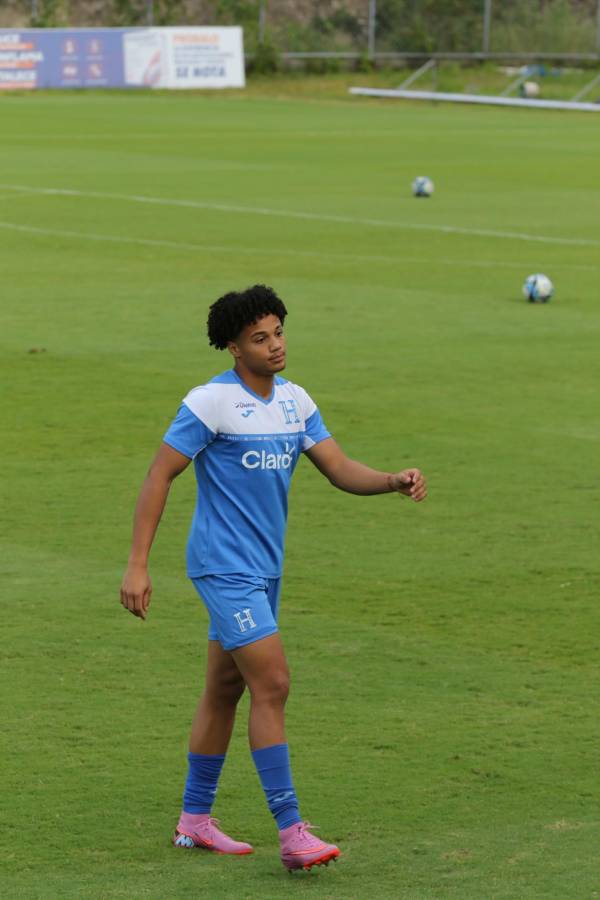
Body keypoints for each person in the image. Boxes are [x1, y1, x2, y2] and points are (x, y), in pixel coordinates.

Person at [120, 284, 427, 872]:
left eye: (279, 332)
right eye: (260, 338)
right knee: (274, 684)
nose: (275, 345)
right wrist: (137, 563)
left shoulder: (295, 401)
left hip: (264, 570)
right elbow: (159, 475)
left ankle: (194, 821)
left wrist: (391, 480)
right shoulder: (211, 402)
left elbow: (338, 467)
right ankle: (292, 832)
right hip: (223, 567)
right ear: (234, 348)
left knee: (225, 688)